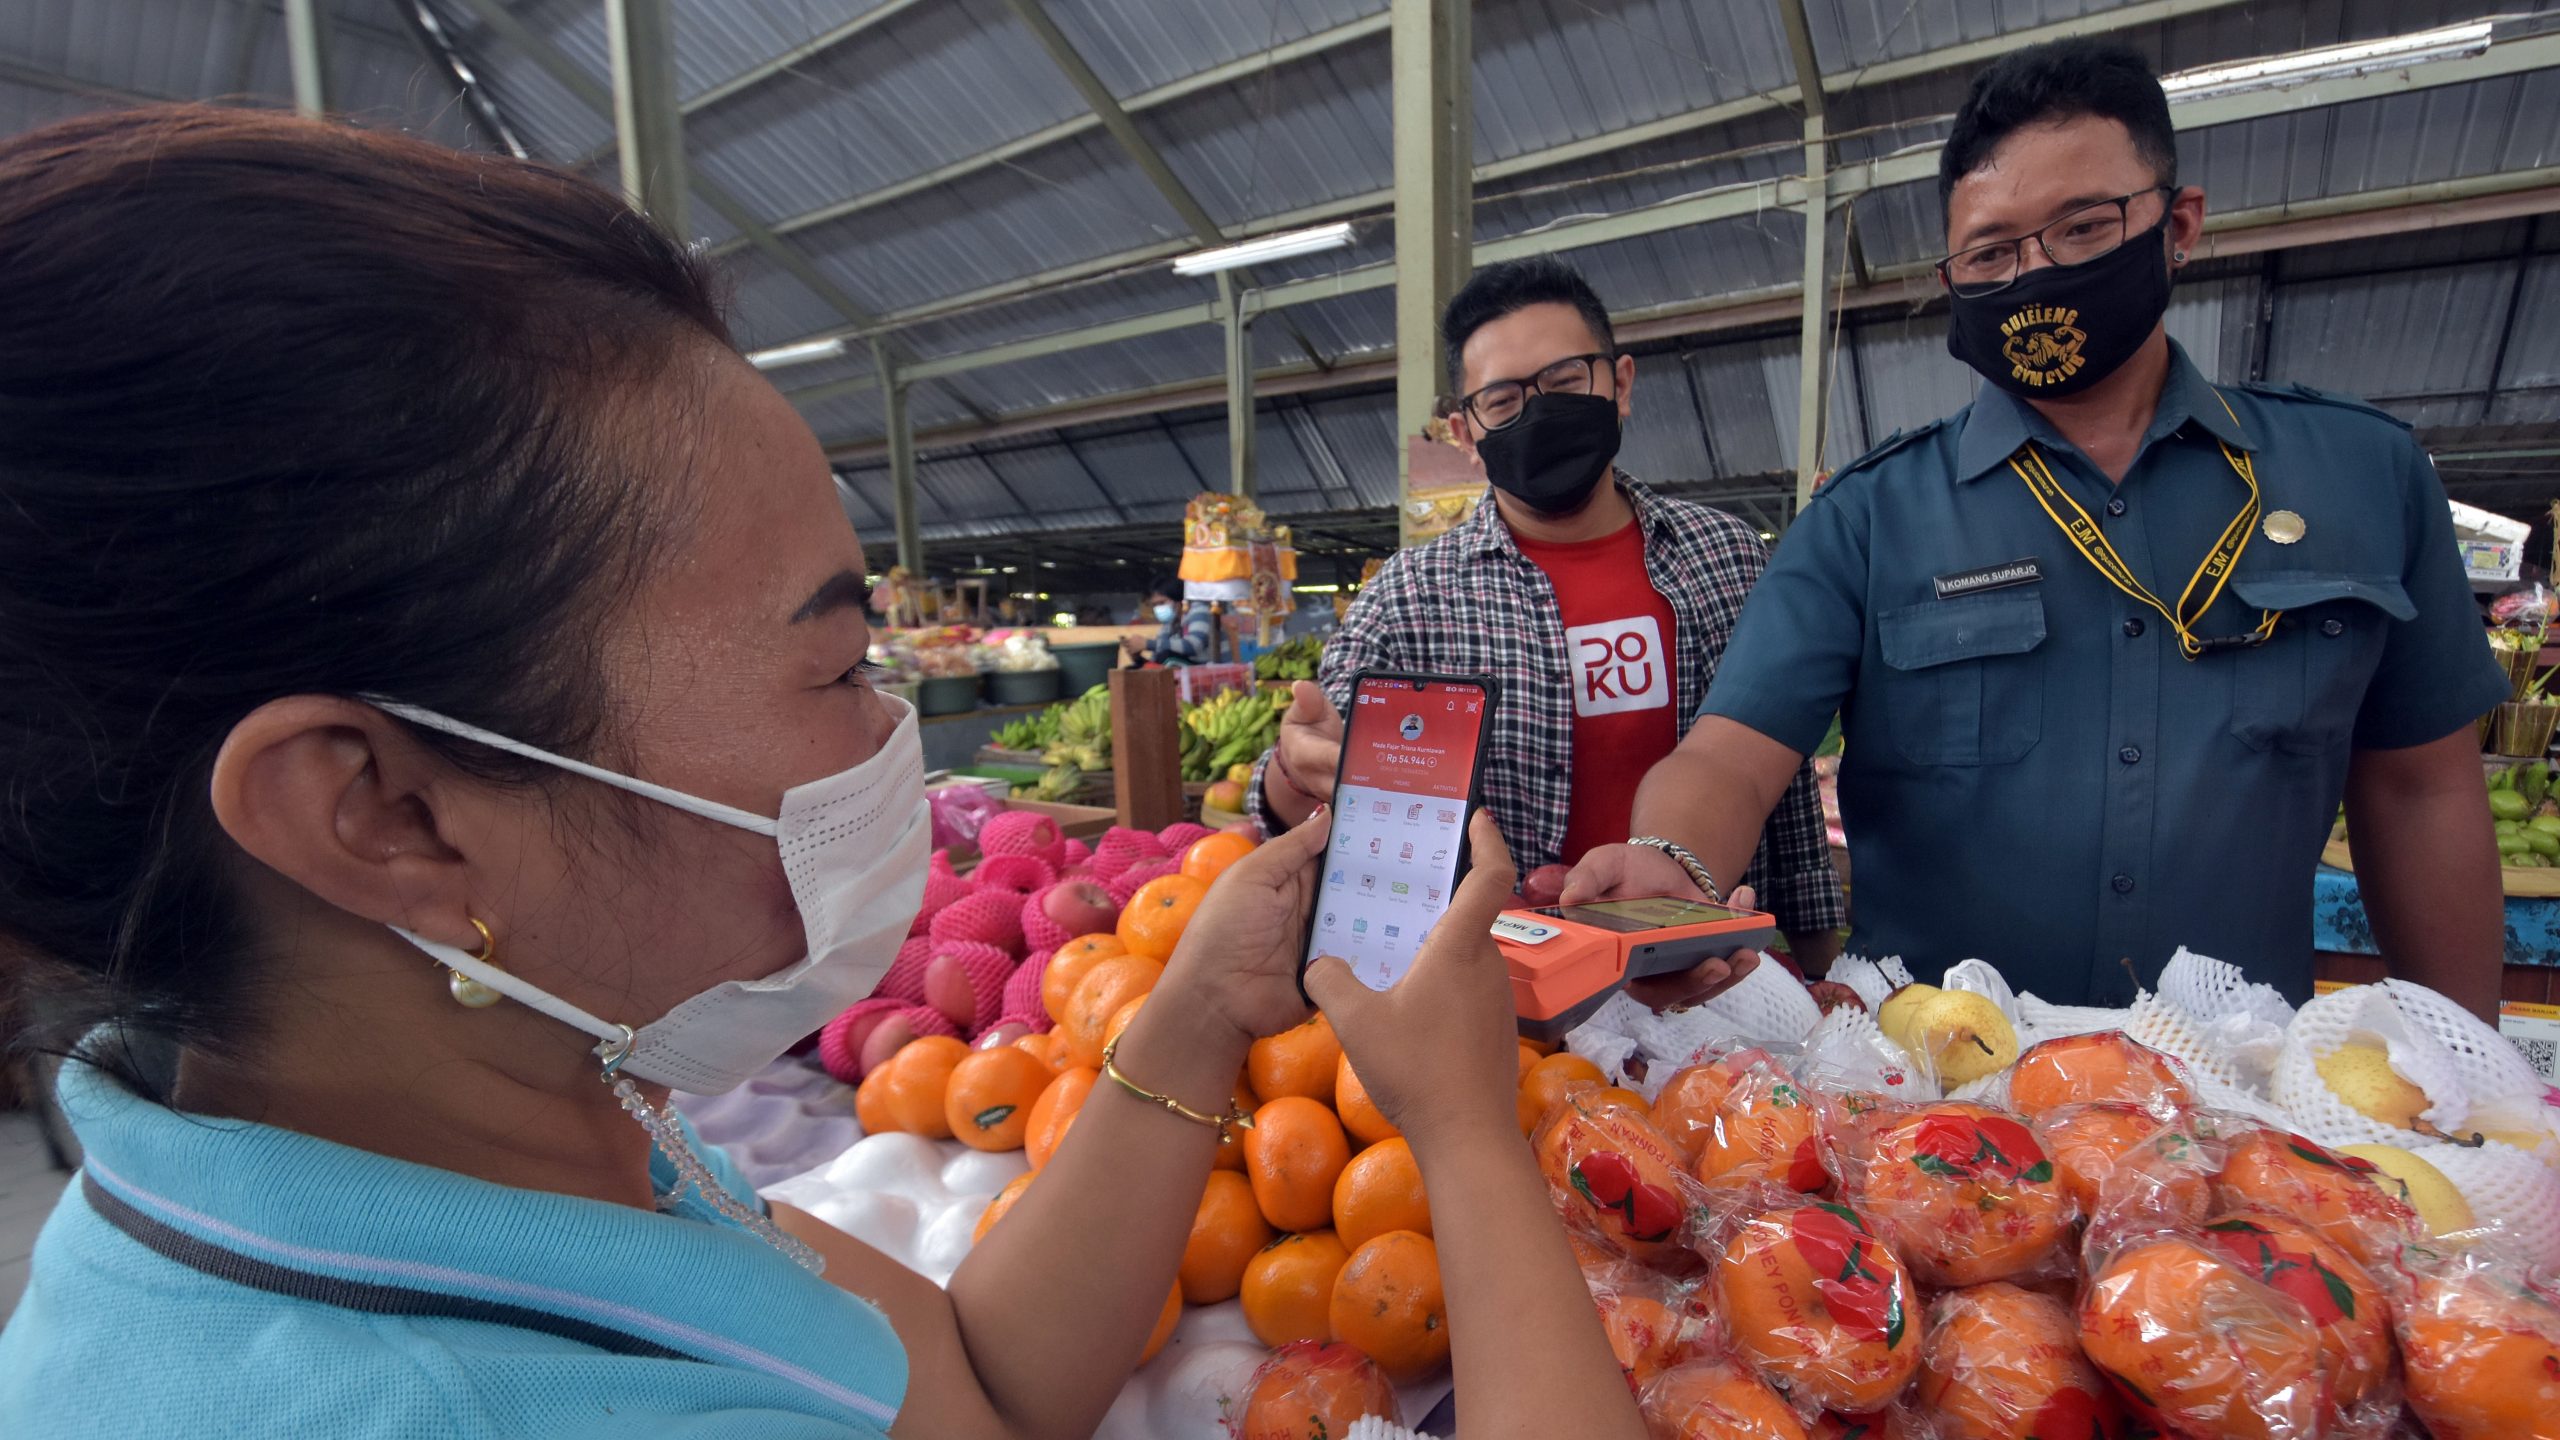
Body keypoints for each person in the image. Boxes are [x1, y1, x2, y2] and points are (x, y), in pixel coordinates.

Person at [0, 107, 1645, 1440]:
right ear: (387, 815)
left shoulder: (493, 1125)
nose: (888, 743)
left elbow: (972, 1390)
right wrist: (1459, 1128)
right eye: (836, 663)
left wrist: (1202, 1006)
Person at [1569, 39, 2507, 1015]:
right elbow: (1728, 753)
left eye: (2082, 228)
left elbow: (2421, 790)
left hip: (2243, 1082)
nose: (2036, 273)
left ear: (2177, 225)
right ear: (1953, 279)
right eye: (1991, 252)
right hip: (1929, 1087)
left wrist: (2465, 1057)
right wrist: (1671, 864)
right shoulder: (1867, 518)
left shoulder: (2360, 474)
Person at [1250, 257, 1847, 985]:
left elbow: (1782, 787)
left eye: (1565, 382)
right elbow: (1299, 806)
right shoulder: (1408, 600)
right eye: (1502, 401)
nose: (1537, 413)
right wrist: (1295, 768)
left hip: (1708, 974)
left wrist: (1818, 965)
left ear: (1620, 384)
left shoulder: (1728, 560)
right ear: (1465, 432)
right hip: (1500, 996)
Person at [1122, 577, 1215, 667]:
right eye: (1154, 605)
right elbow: (1158, 663)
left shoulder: (1199, 610)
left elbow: (1193, 646)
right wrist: (1138, 658)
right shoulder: (1170, 622)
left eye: (1162, 603)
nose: (1158, 608)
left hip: (1209, 671)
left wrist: (1147, 644)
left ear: (1178, 600)